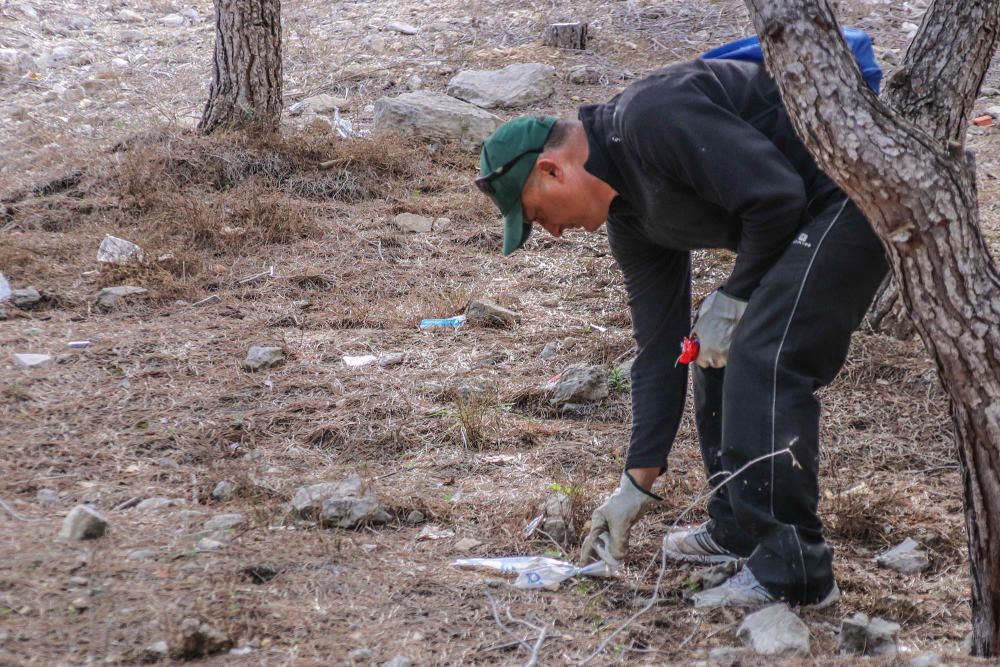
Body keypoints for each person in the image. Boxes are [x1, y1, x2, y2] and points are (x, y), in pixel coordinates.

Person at [474, 56, 888, 608]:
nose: (548, 232)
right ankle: (736, 531)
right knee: (708, 348)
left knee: (762, 354)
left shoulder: (649, 118)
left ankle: (797, 574)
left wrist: (736, 295)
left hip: (854, 195)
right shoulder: (630, 222)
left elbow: (777, 196)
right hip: (803, 218)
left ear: (552, 170)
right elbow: (660, 349)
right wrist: (635, 485)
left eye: (536, 215)